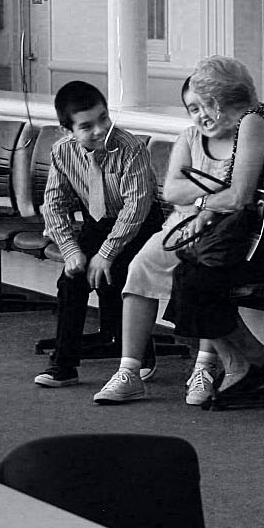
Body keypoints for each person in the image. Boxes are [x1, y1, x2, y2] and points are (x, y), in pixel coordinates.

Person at [137, 55, 264, 400]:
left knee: (196, 279)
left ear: (214, 102)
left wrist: (199, 207)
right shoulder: (261, 117)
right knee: (190, 274)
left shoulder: (255, 124)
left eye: (202, 105)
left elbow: (238, 198)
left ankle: (250, 362)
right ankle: (247, 360)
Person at [92, 78, 246, 407]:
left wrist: (201, 195)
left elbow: (239, 197)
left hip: (226, 233)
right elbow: (172, 192)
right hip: (180, 226)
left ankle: (204, 367)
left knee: (203, 276)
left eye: (206, 105)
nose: (201, 114)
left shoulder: (244, 139)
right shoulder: (189, 138)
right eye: (192, 108)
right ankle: (129, 372)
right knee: (140, 266)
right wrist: (214, 194)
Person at [33, 80, 162, 388]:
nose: (99, 130)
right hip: (97, 222)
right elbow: (53, 205)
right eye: (86, 126)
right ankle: (63, 365)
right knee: (71, 279)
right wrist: (70, 250)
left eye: (103, 118)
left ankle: (142, 354)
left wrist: (105, 254)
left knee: (118, 273)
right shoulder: (62, 152)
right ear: (68, 130)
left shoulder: (131, 148)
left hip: (140, 224)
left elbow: (136, 208)